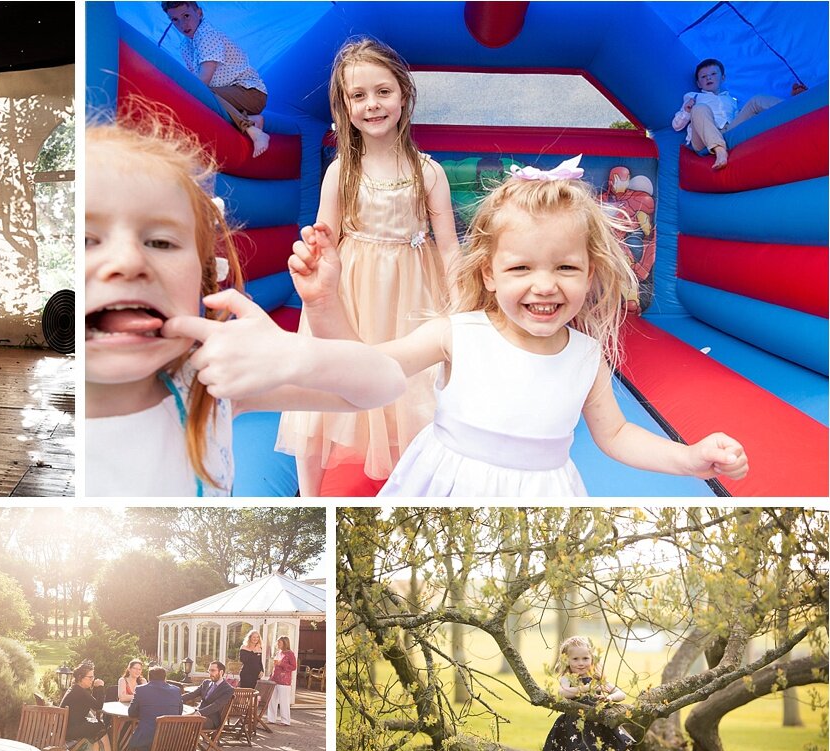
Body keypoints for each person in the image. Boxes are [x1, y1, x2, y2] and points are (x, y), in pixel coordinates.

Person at [286, 158, 747, 497]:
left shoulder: (585, 358)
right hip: (445, 492)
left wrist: (688, 460)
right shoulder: (457, 333)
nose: (544, 286)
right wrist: (325, 303)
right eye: (521, 268)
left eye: (566, 267)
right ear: (488, 272)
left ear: (590, 274)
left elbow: (618, 435)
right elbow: (366, 369)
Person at [85, 119, 407, 497]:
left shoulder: (207, 385)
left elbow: (386, 384)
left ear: (204, 276)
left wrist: (300, 343)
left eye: (160, 242)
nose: (128, 260)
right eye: (88, 240)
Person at [276, 37, 460, 498]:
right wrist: (314, 260)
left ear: (404, 95)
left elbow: (450, 249)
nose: (372, 105)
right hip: (352, 295)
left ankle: (416, 490)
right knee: (327, 386)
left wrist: (463, 307)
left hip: (412, 297)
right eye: (358, 96)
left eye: (383, 91)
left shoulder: (429, 173)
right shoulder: (341, 172)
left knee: (410, 389)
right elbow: (325, 240)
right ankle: (310, 496)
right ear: (344, 106)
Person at [160, 1, 271, 157]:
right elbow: (194, 80)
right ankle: (252, 119)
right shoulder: (185, 46)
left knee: (203, 94)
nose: (182, 24)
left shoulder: (207, 35)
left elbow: (203, 79)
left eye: (186, 16)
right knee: (202, 98)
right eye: (175, 20)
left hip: (251, 93)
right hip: (229, 98)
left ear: (199, 13)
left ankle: (253, 130)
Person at [534, 636, 634, 751]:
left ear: (592, 659)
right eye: (575, 659)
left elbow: (620, 693)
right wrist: (587, 688)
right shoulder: (568, 678)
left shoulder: (598, 679)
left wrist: (609, 698)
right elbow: (562, 692)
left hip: (596, 731)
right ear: (567, 660)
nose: (581, 663)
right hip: (573, 731)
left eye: (585, 658)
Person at [671, 59, 783, 170]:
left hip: (729, 132)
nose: (708, 78)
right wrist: (687, 111)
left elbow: (738, 117)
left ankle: (790, 105)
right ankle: (720, 150)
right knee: (700, 108)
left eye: (713, 74)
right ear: (699, 84)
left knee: (756, 101)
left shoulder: (731, 99)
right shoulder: (693, 96)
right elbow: (676, 126)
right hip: (703, 140)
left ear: (723, 78)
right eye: (703, 77)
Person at [59, 662, 114, 751]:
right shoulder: (80, 691)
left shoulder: (76, 689)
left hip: (65, 728)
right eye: (90, 677)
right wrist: (101, 687)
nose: (92, 679)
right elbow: (98, 706)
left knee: (95, 724)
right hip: (70, 730)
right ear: (81, 677)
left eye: (93, 677)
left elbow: (91, 702)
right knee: (100, 726)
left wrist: (96, 688)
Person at [127, 665, 184, 751]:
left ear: (149, 678)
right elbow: (179, 712)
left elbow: (131, 713)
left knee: (136, 745)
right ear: (165, 678)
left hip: (148, 740)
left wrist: (144, 712)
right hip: (174, 739)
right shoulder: (176, 690)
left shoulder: (141, 690)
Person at [181, 660, 235, 730]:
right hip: (198, 713)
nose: (210, 673)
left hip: (211, 719)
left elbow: (216, 705)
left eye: (213, 670)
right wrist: (176, 698)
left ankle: (187, 740)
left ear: (221, 672)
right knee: (177, 718)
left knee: (184, 722)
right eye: (209, 670)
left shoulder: (228, 689)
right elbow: (192, 694)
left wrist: (198, 713)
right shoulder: (206, 683)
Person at [264, 637, 296, 725]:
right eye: (278, 643)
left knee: (284, 701)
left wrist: (281, 664)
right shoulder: (278, 652)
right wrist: (271, 676)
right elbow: (275, 666)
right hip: (274, 679)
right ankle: (271, 719)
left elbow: (293, 667)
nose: (278, 644)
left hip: (284, 681)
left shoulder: (290, 654)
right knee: (271, 699)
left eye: (279, 643)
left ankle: (285, 721)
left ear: (285, 643)